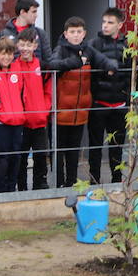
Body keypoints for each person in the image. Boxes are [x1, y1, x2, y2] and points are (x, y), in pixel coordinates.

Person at [47, 16, 118, 188]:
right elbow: (52, 64)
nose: (76, 35)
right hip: (60, 112)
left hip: (80, 112)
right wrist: (75, 63)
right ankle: (58, 185)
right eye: (72, 32)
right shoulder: (60, 49)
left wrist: (110, 66)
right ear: (66, 34)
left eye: (79, 32)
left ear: (84, 33)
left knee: (74, 151)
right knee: (58, 152)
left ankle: (71, 183)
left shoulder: (88, 50)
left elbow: (104, 60)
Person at [88, 7, 130, 184]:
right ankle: (94, 181)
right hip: (99, 104)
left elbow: (131, 75)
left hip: (120, 105)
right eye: (104, 22)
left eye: (110, 22)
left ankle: (117, 181)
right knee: (95, 147)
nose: (105, 26)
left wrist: (130, 99)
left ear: (120, 25)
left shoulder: (127, 45)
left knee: (117, 147)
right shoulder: (94, 44)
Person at [0, 36, 24, 193]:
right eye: (3, 53)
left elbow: (22, 91)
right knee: (3, 158)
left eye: (9, 53)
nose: (6, 57)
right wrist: (0, 109)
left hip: (17, 120)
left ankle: (11, 187)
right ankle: (1, 189)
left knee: (16, 157)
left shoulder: (18, 68)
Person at [13, 31, 50, 190]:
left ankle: (40, 184)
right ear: (17, 45)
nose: (25, 48)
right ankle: (21, 186)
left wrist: (44, 111)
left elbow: (48, 90)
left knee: (41, 156)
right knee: (20, 157)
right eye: (22, 44)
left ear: (35, 46)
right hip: (21, 122)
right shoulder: (13, 66)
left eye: (29, 45)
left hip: (39, 120)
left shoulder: (41, 66)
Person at [0, 0, 53, 64]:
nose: (36, 15)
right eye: (33, 12)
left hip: (34, 74)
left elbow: (49, 62)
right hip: (12, 74)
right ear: (22, 12)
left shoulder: (40, 34)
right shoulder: (2, 35)